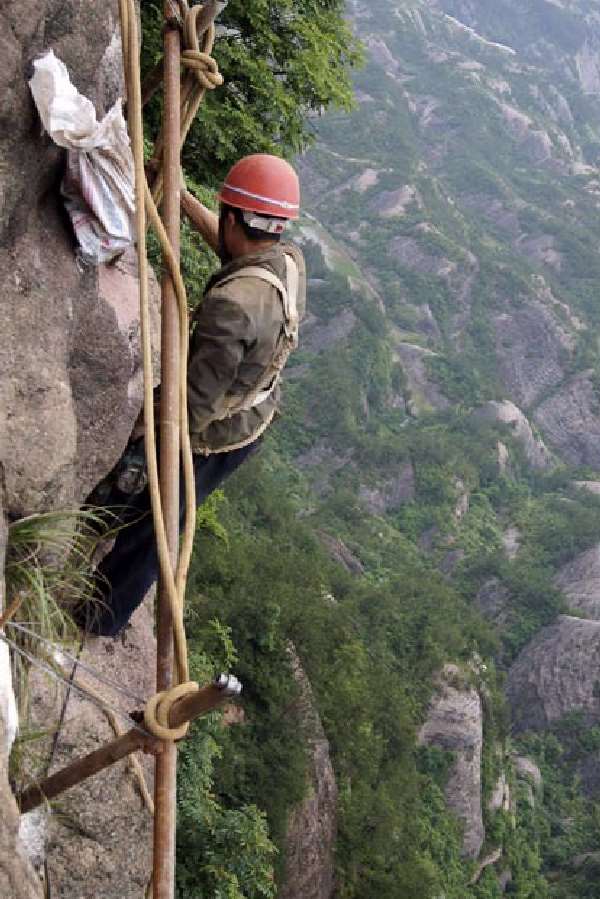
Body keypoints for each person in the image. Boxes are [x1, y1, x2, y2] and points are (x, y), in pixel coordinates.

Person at [77, 154, 306, 636]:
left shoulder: (231, 308)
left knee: (157, 518)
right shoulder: (286, 261)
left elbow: (193, 410)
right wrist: (179, 200)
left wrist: (147, 434)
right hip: (255, 413)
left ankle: (99, 617)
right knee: (155, 497)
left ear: (232, 218)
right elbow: (235, 253)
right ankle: (100, 533)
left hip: (215, 430)